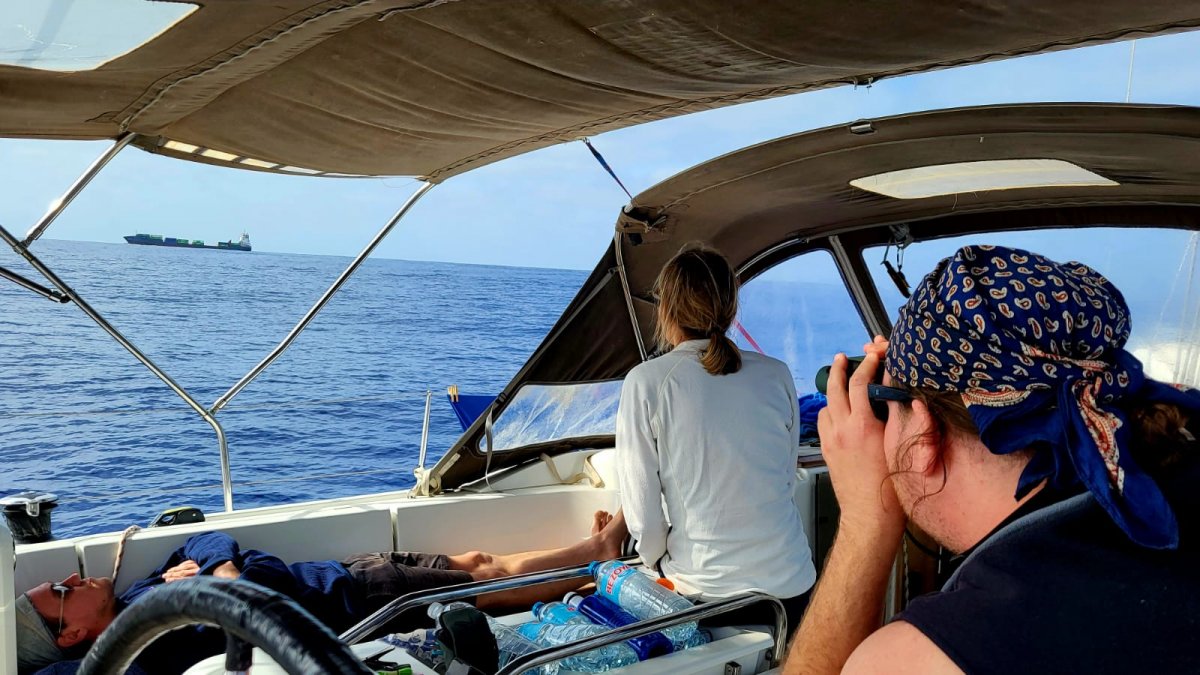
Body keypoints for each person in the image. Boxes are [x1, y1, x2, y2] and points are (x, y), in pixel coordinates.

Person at [785, 245, 1200, 674]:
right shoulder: (1176, 476)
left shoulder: (933, 652)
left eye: (889, 409)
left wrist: (865, 518)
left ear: (925, 435)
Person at [16, 510, 626, 675]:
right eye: (62, 593)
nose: (72, 578)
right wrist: (223, 581)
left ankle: (583, 551)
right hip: (353, 600)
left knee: (472, 560)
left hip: (343, 568)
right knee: (487, 585)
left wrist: (219, 573)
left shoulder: (147, 591)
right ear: (73, 635)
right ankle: (596, 563)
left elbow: (206, 542)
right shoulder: (147, 645)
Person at [615, 244, 816, 632]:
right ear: (730, 307)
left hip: (706, 598)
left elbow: (642, 516)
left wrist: (656, 561)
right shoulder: (777, 374)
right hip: (793, 586)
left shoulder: (647, 382)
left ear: (666, 310)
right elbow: (785, 478)